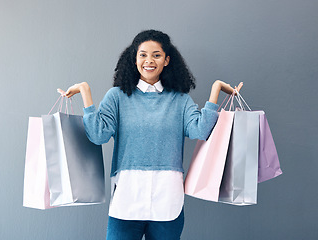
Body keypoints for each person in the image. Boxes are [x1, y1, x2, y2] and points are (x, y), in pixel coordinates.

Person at [58, 29, 243, 240]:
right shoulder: (117, 97)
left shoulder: (179, 100)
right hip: (127, 198)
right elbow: (98, 135)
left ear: (166, 60)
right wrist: (85, 92)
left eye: (156, 55)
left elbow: (200, 130)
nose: (149, 60)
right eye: (143, 54)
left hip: (167, 199)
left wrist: (216, 90)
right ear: (134, 58)